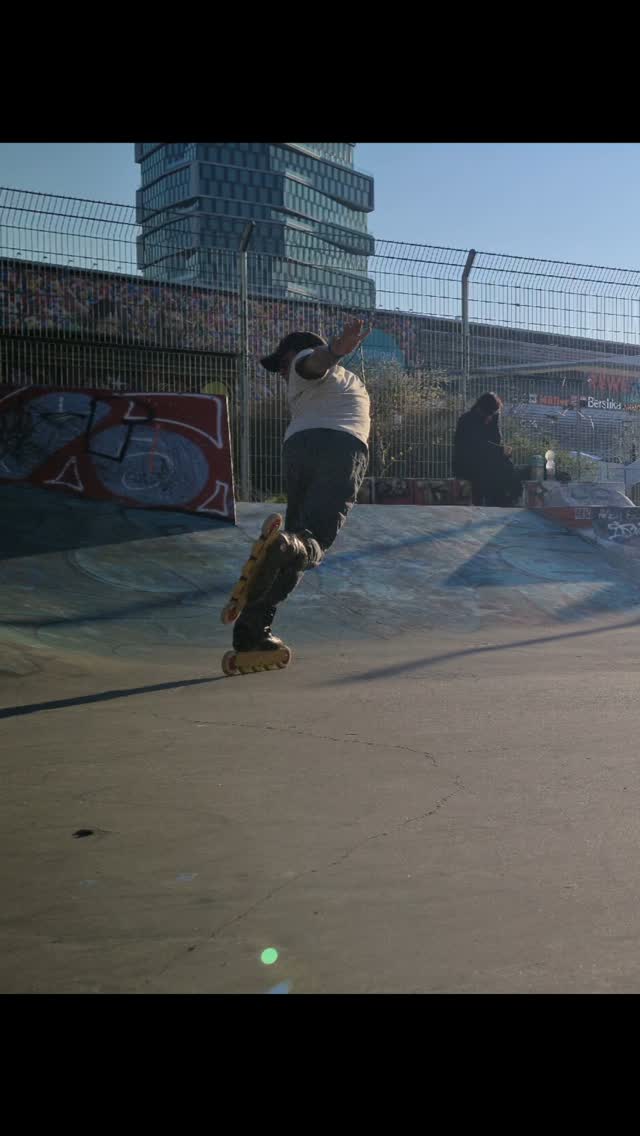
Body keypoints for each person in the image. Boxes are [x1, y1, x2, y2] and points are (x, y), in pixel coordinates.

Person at [231, 318, 370, 655]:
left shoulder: (311, 365)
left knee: (294, 546)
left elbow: (314, 361)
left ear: (296, 351)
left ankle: (253, 628)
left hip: (299, 447)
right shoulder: (313, 366)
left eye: (282, 363)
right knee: (312, 542)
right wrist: (335, 350)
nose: (282, 371)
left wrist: (332, 351)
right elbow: (313, 362)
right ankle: (287, 546)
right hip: (340, 448)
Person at [453, 391, 522, 506]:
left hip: (486, 462)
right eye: (490, 413)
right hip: (467, 464)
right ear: (481, 409)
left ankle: (511, 499)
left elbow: (496, 441)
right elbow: (475, 447)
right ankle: (498, 501)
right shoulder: (467, 420)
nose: (491, 416)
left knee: (507, 465)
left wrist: (493, 423)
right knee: (494, 472)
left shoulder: (491, 419)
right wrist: (500, 451)